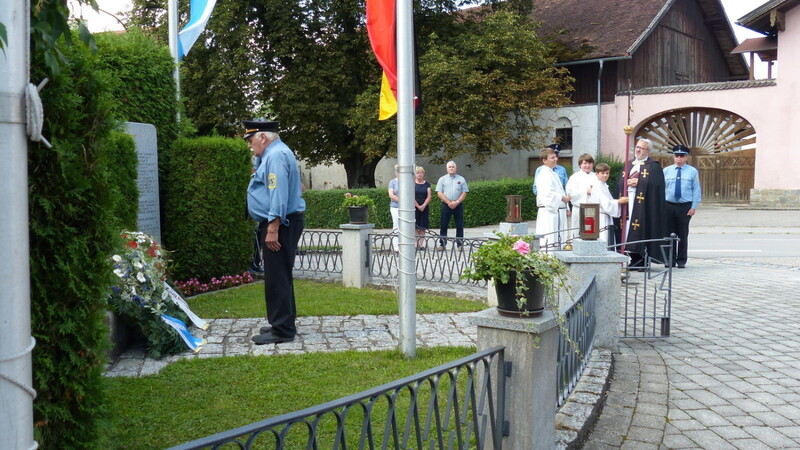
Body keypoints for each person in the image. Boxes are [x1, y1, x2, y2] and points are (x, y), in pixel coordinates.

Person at [244, 120, 306, 345]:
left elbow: (277, 192)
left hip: (280, 224)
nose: (251, 146)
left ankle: (282, 330)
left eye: (251, 141)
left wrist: (273, 227)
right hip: (283, 222)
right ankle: (283, 322)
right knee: (280, 275)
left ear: (262, 137)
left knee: (276, 277)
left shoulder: (276, 155)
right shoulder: (273, 153)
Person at [616, 138, 667, 267]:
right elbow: (619, 182)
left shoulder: (654, 166)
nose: (638, 150)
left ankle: (642, 258)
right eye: (637, 147)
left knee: (641, 229)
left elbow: (657, 185)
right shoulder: (629, 164)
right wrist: (625, 182)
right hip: (628, 203)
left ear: (648, 151)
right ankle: (632, 257)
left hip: (644, 206)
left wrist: (639, 183)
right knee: (627, 229)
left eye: (641, 148)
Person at [664, 145, 701, 268]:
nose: (679, 158)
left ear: (686, 157)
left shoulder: (692, 171)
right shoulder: (666, 171)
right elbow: (662, 189)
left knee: (682, 234)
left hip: (685, 206)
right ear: (674, 157)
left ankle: (681, 260)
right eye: (676, 155)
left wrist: (694, 206)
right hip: (669, 205)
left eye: (681, 156)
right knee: (669, 234)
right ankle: (669, 260)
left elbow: (696, 190)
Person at [534, 147, 570, 249]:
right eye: (552, 158)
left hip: (557, 212)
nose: (555, 159)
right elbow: (548, 193)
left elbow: (560, 189)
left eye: (555, 157)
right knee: (549, 239)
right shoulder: (544, 174)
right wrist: (562, 198)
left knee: (558, 239)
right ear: (544, 160)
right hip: (549, 212)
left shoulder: (552, 173)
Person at [586, 163, 628, 244]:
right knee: (603, 239)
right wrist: (619, 201)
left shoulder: (604, 185)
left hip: (606, 216)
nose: (605, 175)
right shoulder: (597, 186)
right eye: (602, 173)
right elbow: (604, 202)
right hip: (600, 218)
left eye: (607, 173)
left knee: (608, 239)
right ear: (597, 174)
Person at [436, 161, 469, 250]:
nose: (451, 168)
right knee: (443, 225)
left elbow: (464, 192)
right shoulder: (442, 179)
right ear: (447, 169)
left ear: (456, 168)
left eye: (453, 167)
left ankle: (460, 244)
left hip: (458, 205)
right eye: (449, 167)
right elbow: (439, 193)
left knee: (459, 225)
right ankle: (442, 244)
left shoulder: (461, 179)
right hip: (446, 205)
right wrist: (448, 202)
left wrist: (457, 202)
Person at [565, 153, 598, 240]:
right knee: (577, 232)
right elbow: (570, 193)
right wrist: (585, 191)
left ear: (593, 164)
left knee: (592, 231)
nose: (587, 165)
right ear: (580, 164)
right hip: (579, 209)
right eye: (585, 163)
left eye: (590, 163)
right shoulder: (575, 177)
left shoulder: (596, 177)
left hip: (593, 209)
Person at [414, 166, 432, 250]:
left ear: (423, 174)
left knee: (422, 227)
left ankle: (421, 244)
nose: (419, 174)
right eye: (418, 173)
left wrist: (423, 205)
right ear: (415, 174)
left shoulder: (427, 184)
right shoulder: (412, 183)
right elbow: (410, 196)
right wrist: (417, 206)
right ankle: (415, 244)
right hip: (414, 208)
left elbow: (429, 196)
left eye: (421, 172)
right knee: (415, 226)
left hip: (424, 208)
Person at [387, 165, 400, 250]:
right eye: (397, 171)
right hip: (395, 207)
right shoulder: (393, 182)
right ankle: (396, 246)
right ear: (395, 172)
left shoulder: (408, 181)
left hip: (406, 208)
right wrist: (402, 202)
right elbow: (391, 194)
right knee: (396, 225)